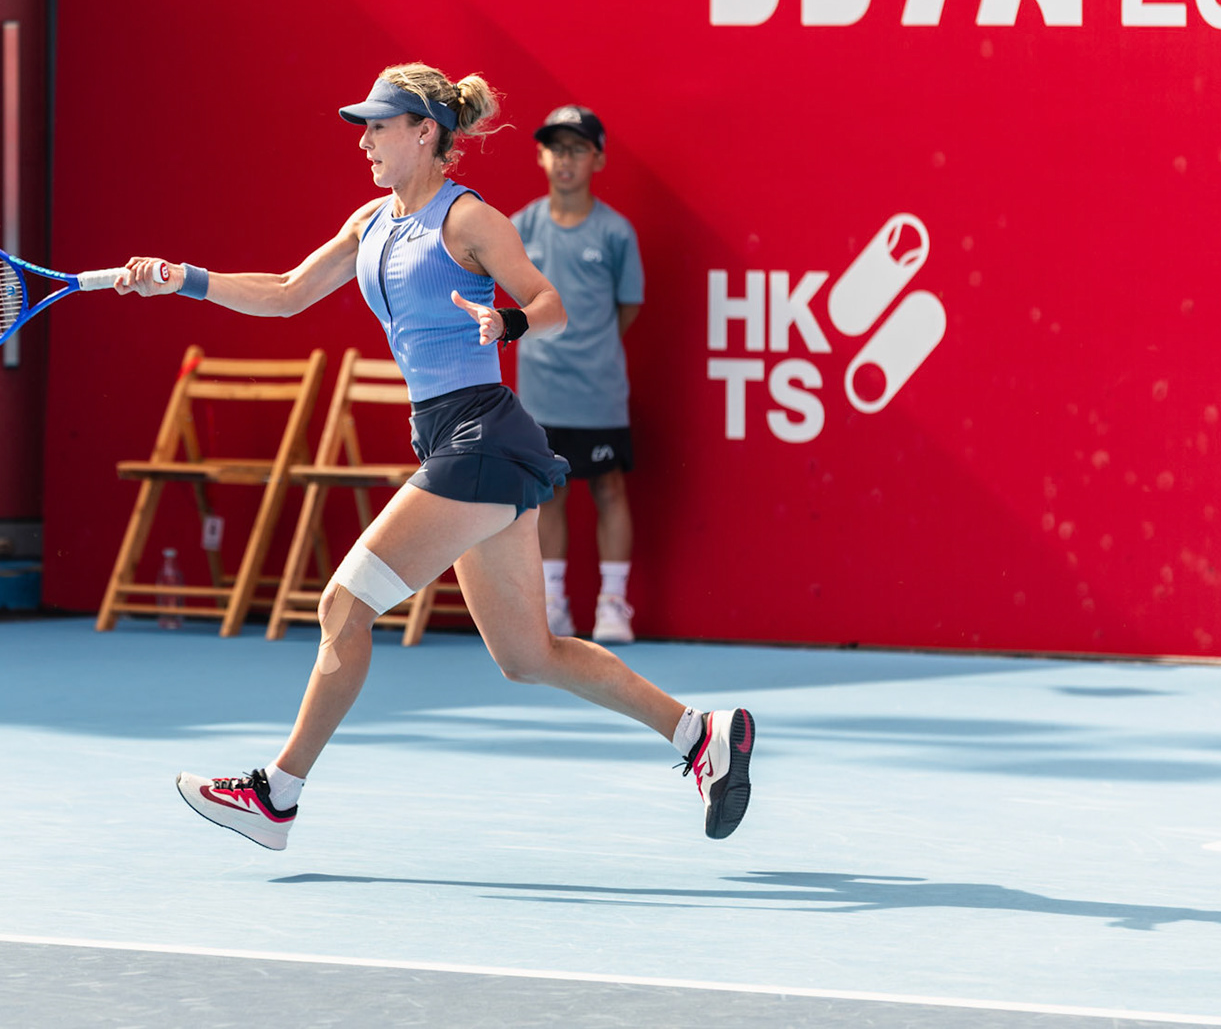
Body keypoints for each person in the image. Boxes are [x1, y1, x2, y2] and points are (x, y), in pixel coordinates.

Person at [115, 64, 752, 852]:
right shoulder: (368, 223)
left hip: (478, 434)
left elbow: (549, 303)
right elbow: (283, 292)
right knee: (527, 656)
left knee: (343, 606)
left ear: (426, 134)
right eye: (364, 125)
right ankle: (700, 735)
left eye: (381, 125)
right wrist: (184, 280)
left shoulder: (471, 220)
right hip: (460, 440)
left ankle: (276, 795)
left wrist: (507, 326)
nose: (366, 139)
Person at [511, 105, 643, 644]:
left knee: (609, 488)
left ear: (598, 159)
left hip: (600, 392)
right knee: (549, 496)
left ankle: (613, 606)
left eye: (577, 149)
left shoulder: (615, 232)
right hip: (539, 394)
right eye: (556, 148)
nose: (565, 160)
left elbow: (626, 307)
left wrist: (591, 348)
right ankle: (554, 606)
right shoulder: (520, 226)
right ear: (541, 156)